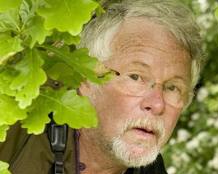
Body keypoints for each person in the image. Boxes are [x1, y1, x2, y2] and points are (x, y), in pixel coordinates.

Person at [0, 0, 203, 173]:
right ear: (87, 78)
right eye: (136, 77)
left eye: (172, 88)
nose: (157, 104)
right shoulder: (11, 126)